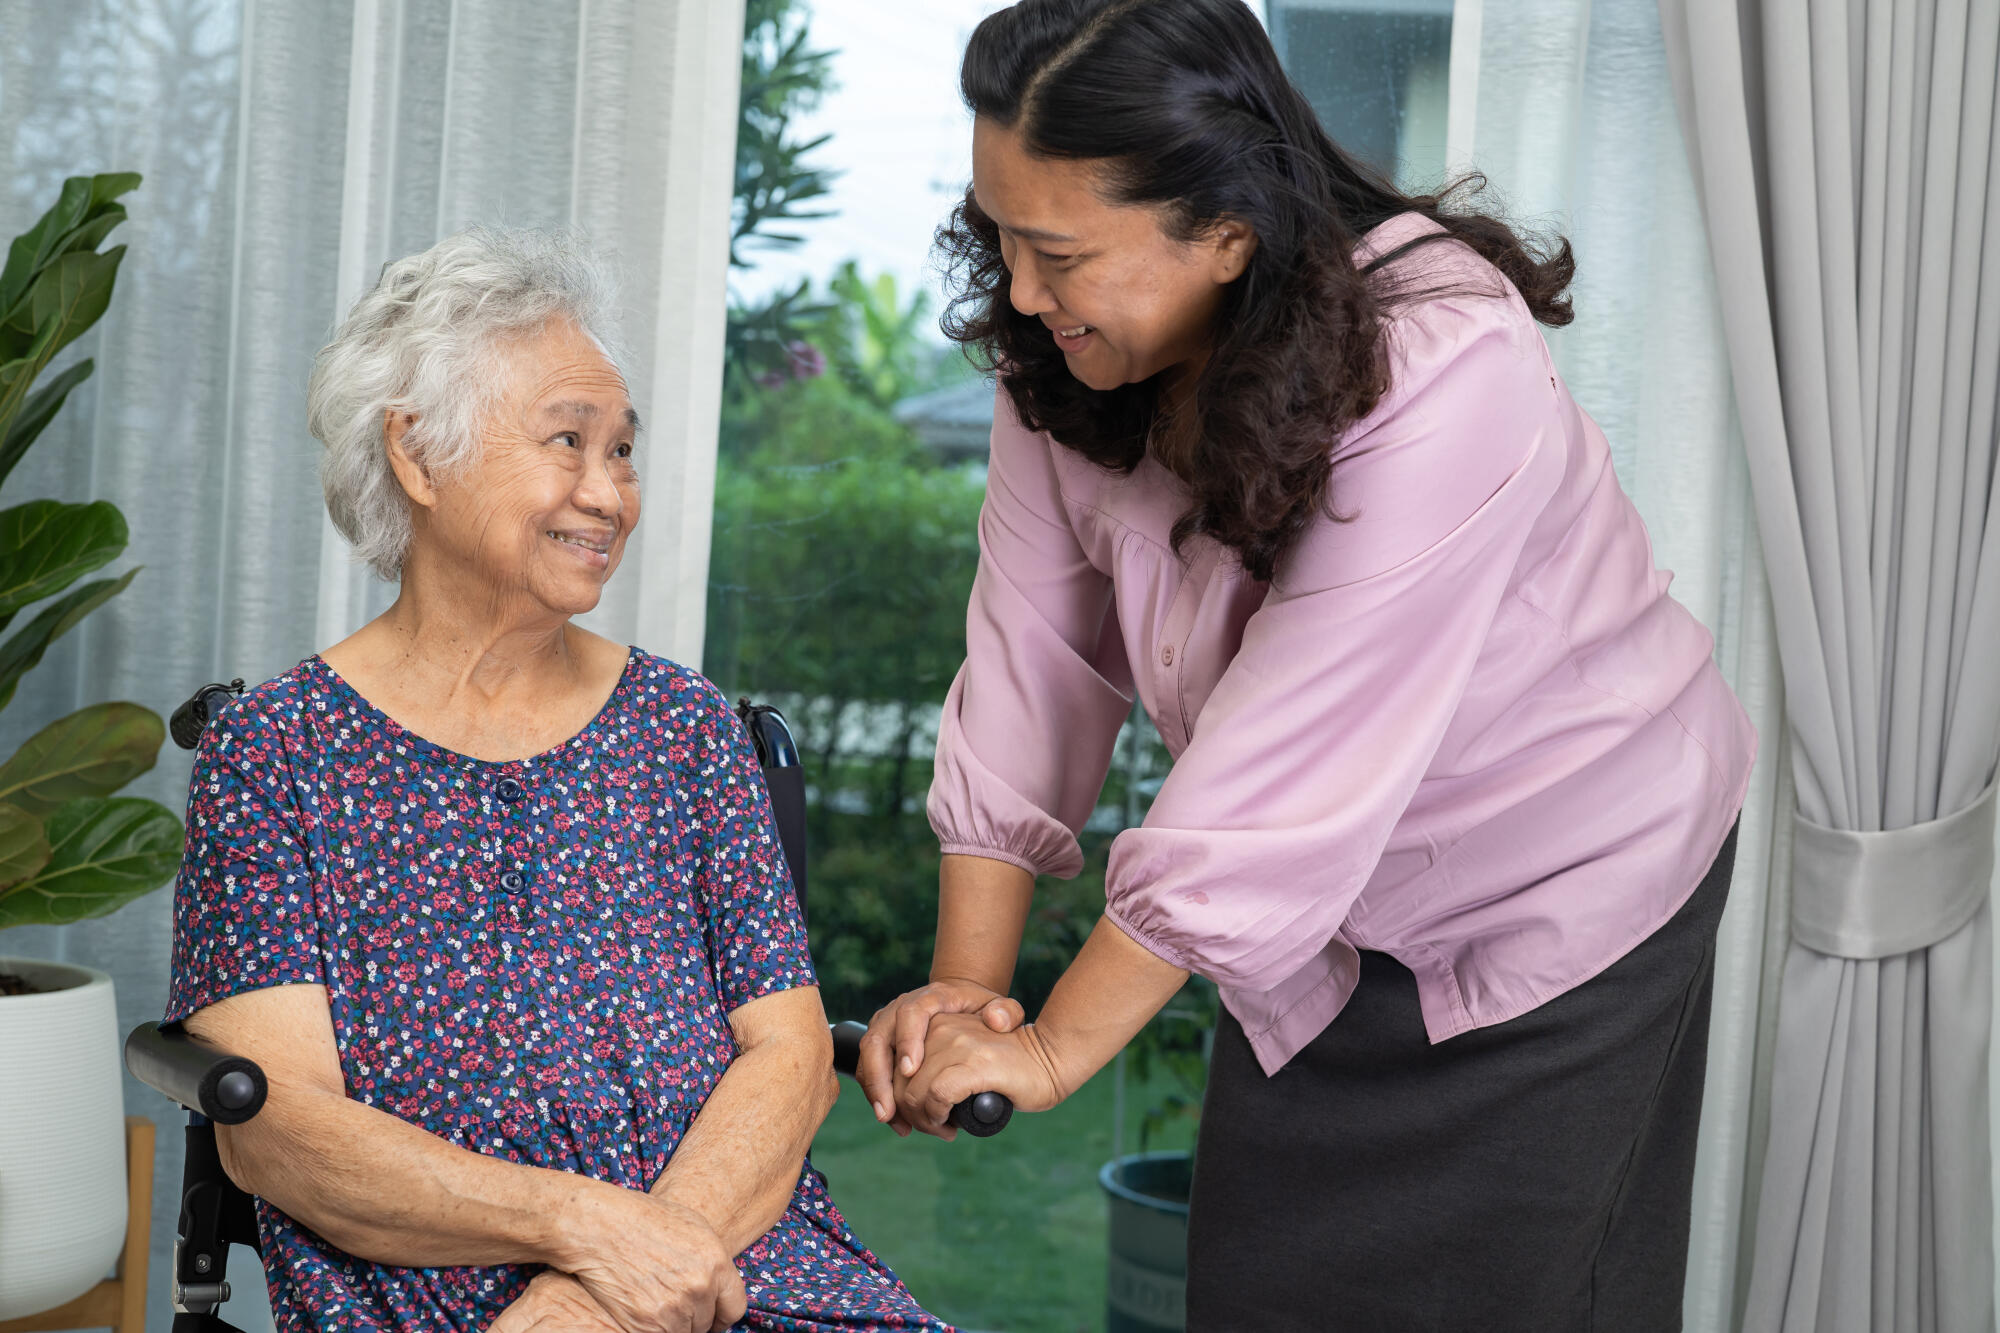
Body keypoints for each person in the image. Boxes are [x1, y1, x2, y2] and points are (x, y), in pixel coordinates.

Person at [855, 2, 1757, 1329]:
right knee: (1269, 1291)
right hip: (1321, 907)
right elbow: (1030, 664)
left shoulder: (1442, 365)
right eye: (999, 235)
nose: (1023, 292)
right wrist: (970, 988)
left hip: (1563, 884)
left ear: (1226, 232)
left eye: (1058, 251)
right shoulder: (1066, 355)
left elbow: (1274, 779)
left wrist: (1052, 1046)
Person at [166, 227, 949, 1333]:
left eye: (621, 449)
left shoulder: (687, 732)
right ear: (416, 455)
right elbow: (282, 1127)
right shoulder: (278, 753)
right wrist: (590, 1234)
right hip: (427, 1295)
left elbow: (786, 1054)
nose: (610, 493)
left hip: (731, 1263)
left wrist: (613, 1290)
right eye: (566, 442)